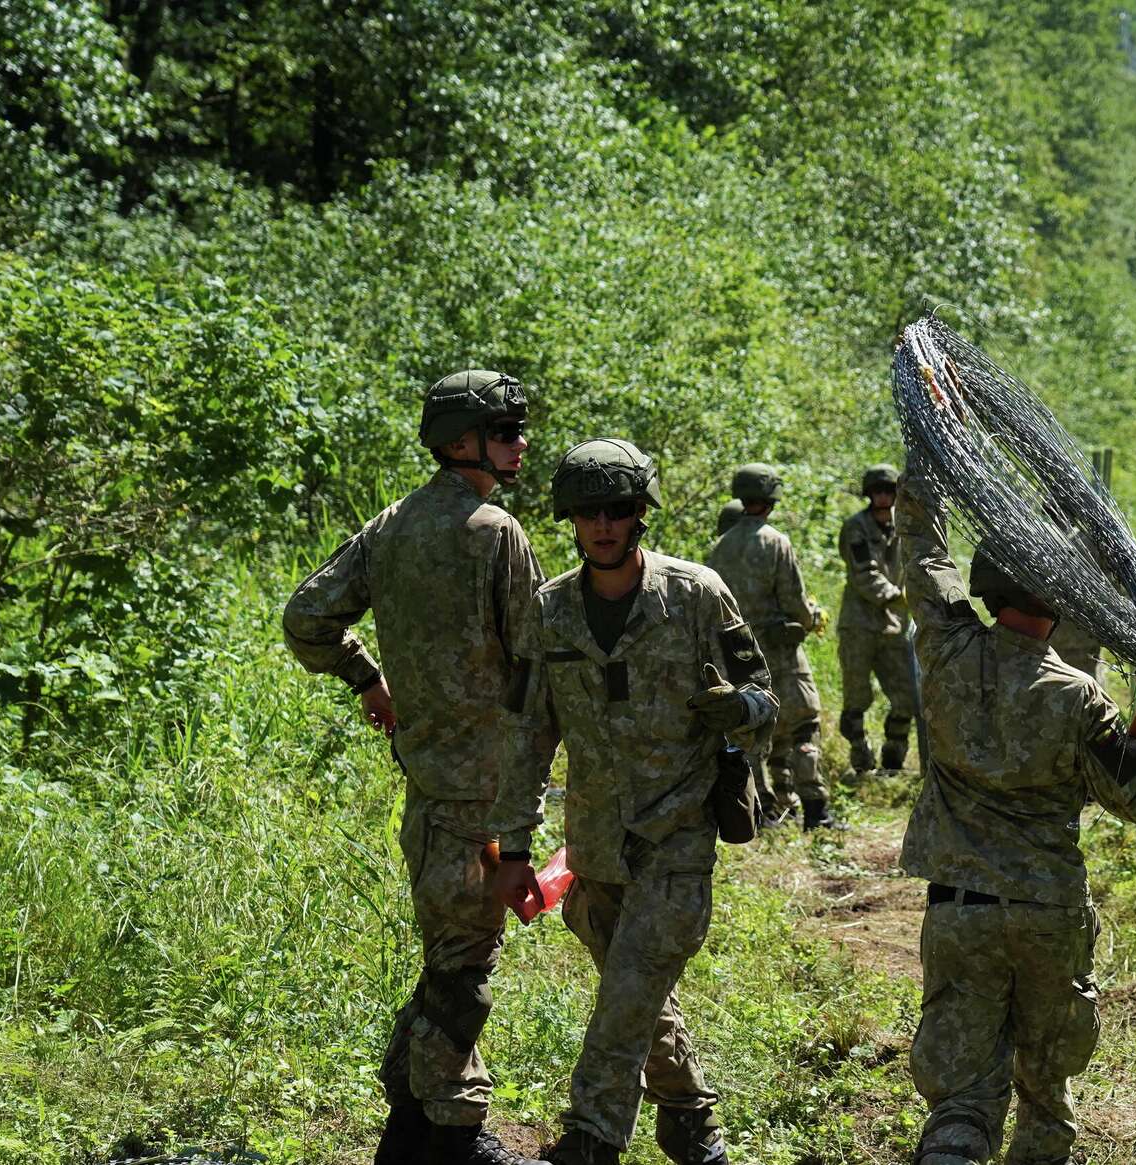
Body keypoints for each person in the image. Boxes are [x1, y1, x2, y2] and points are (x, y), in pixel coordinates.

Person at [894, 460, 1136, 1165]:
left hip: (959, 909)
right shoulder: (1076, 698)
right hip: (1048, 913)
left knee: (963, 1101)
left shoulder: (942, 652)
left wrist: (931, 457)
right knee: (1045, 1096)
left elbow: (919, 547)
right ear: (1062, 598)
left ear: (988, 586)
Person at [281, 370, 549, 1165]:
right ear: (463, 442)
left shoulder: (391, 525)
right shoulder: (497, 533)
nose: (521, 443)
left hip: (429, 792)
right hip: (485, 799)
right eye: (506, 431)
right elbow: (539, 662)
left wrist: (367, 675)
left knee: (451, 956)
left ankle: (406, 1131)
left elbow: (305, 619)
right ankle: (456, 1137)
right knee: (465, 967)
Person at [504, 438, 777, 1165]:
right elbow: (529, 738)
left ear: (640, 516)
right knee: (640, 995)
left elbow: (766, 697)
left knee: (626, 994)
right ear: (570, 518)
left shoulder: (696, 595)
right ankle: (691, 1120)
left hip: (678, 835)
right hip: (596, 846)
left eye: (618, 510)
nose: (603, 525)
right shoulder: (551, 609)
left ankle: (589, 1140)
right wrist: (512, 845)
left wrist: (736, 706)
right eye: (589, 512)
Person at [706, 463, 836, 828]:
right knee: (804, 725)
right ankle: (815, 809)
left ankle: (760, 812)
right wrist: (813, 618)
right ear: (772, 497)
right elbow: (795, 601)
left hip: (740, 655)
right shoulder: (776, 541)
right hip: (781, 651)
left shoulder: (720, 547)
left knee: (750, 732)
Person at [835, 463, 918, 774]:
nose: (883, 497)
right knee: (856, 697)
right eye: (877, 491)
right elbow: (864, 574)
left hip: (893, 627)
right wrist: (900, 598)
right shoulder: (856, 527)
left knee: (906, 697)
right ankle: (861, 759)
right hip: (858, 625)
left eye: (889, 491)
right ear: (869, 494)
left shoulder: (904, 526)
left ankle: (894, 759)